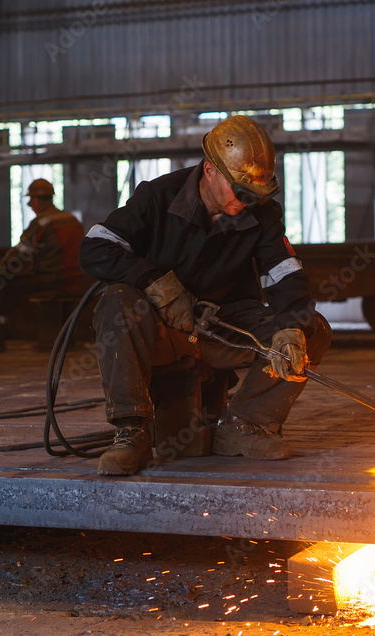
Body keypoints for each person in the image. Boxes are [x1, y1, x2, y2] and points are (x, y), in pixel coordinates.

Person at [78, 115, 332, 476]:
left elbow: (284, 274)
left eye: (255, 194)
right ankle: (132, 430)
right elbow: (95, 248)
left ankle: (243, 425)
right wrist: (154, 283)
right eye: (240, 192)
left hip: (221, 328)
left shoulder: (262, 214)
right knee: (116, 301)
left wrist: (290, 327)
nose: (247, 203)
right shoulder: (157, 197)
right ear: (210, 170)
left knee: (313, 330)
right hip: (159, 333)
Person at [0, 178, 86, 352]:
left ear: (36, 200)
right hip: (77, 279)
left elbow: (17, 255)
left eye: (30, 201)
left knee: (0, 286)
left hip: (52, 279)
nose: (30, 206)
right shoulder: (71, 219)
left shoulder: (42, 222)